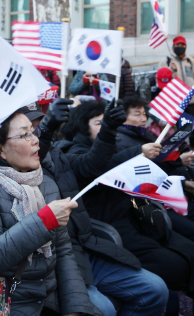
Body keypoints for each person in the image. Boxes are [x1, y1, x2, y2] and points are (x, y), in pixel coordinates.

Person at [0, 108, 100, 316]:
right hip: (3, 299)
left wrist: (74, 309)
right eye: (24, 135)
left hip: (45, 295)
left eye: (33, 132)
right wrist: (45, 220)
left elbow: (63, 250)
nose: (35, 141)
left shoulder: (44, 182)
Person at [31, 99, 168, 316]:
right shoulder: (0, 172)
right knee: (102, 309)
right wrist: (46, 129)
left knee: (155, 289)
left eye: (35, 130)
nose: (32, 138)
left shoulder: (58, 156)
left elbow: (92, 166)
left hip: (80, 247)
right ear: (1, 145)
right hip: (46, 262)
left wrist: (107, 130)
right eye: (25, 133)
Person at [56, 98, 194, 313]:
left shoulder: (109, 143)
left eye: (108, 123)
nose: (106, 127)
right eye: (99, 123)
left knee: (188, 249)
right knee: (174, 266)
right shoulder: (71, 151)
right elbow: (96, 166)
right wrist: (137, 151)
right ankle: (177, 303)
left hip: (135, 214)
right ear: (83, 125)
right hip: (108, 226)